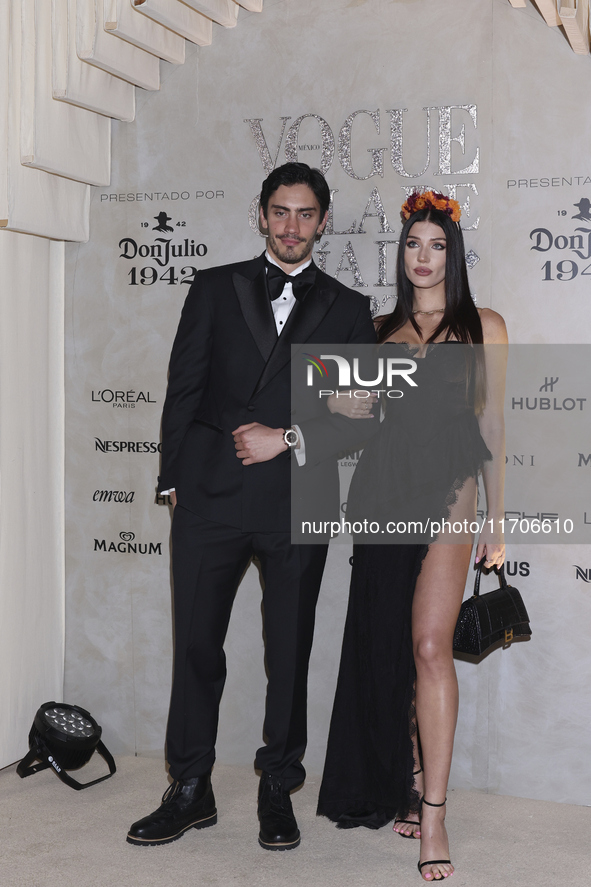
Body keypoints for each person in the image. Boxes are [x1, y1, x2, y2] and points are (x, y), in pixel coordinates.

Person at [126, 162, 376, 850]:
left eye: (304, 214)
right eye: (279, 211)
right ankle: (189, 785)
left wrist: (286, 437)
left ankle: (277, 785)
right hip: (208, 494)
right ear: (260, 214)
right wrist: (172, 480)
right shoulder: (213, 288)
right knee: (196, 644)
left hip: (300, 494)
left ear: (322, 221)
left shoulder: (351, 307)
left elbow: (359, 409)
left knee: (288, 649)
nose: (291, 225)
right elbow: (183, 386)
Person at [317, 191, 508, 882]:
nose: (421, 257)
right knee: (390, 645)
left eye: (435, 245)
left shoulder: (482, 325)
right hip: (382, 498)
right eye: (410, 244)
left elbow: (492, 430)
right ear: (399, 254)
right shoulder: (375, 330)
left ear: (452, 255)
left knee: (430, 644)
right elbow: (345, 415)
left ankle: (433, 812)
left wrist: (497, 516)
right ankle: (409, 765)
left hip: (451, 501)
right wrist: (341, 398)